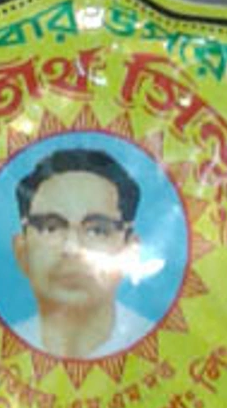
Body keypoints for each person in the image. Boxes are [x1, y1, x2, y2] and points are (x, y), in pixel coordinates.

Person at [10, 147, 153, 359]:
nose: (72, 249)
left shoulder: (168, 350)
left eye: (97, 230)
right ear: (21, 251)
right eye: (51, 228)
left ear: (130, 251)